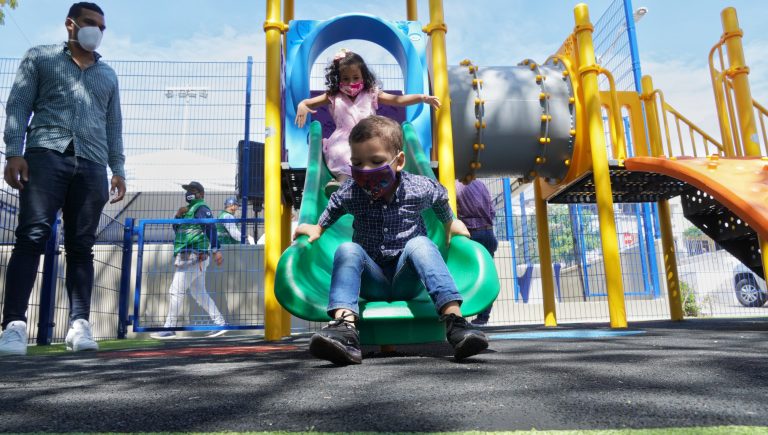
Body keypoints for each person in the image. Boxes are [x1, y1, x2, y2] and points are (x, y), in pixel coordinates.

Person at [294, 115, 489, 365]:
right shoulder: (352, 191)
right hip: (371, 281)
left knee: (420, 243)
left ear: (399, 162)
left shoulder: (419, 187)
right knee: (347, 249)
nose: (365, 170)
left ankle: (456, 324)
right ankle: (345, 330)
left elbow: (440, 196)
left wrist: (449, 222)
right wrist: (318, 228)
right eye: (357, 163)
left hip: (407, 277)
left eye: (376, 161)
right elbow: (334, 205)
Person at [0, 2, 127, 356]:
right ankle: (13, 326)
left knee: (81, 245)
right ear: (70, 24)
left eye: (102, 27)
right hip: (45, 155)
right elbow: (19, 104)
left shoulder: (108, 75)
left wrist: (118, 169)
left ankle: (79, 324)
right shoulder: (40, 58)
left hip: (93, 164)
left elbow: (114, 125)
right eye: (90, 23)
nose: (97, 31)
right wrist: (14, 152)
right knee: (32, 236)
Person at [294, 48, 441, 196]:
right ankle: (342, 183)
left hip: (369, 137)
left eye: (355, 77)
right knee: (344, 153)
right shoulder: (333, 96)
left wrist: (422, 97)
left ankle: (378, 183)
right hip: (342, 140)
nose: (351, 82)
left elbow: (398, 100)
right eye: (345, 78)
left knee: (376, 153)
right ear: (338, 79)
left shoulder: (371, 93)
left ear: (363, 76)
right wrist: (302, 105)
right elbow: (308, 103)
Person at [150, 182, 227, 339]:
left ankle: (169, 328)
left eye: (192, 190)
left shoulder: (201, 208)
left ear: (201, 194)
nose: (188, 193)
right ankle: (220, 323)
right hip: (190, 255)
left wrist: (216, 250)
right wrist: (178, 216)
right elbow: (178, 231)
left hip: (194, 255)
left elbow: (210, 228)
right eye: (187, 191)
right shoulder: (188, 211)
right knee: (199, 294)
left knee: (176, 290)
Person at [456, 178, 499, 327]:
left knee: (461, 274)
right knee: (487, 274)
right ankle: (483, 317)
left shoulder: (454, 184)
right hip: (488, 232)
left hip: (470, 234)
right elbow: (492, 211)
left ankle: (458, 313)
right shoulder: (481, 184)